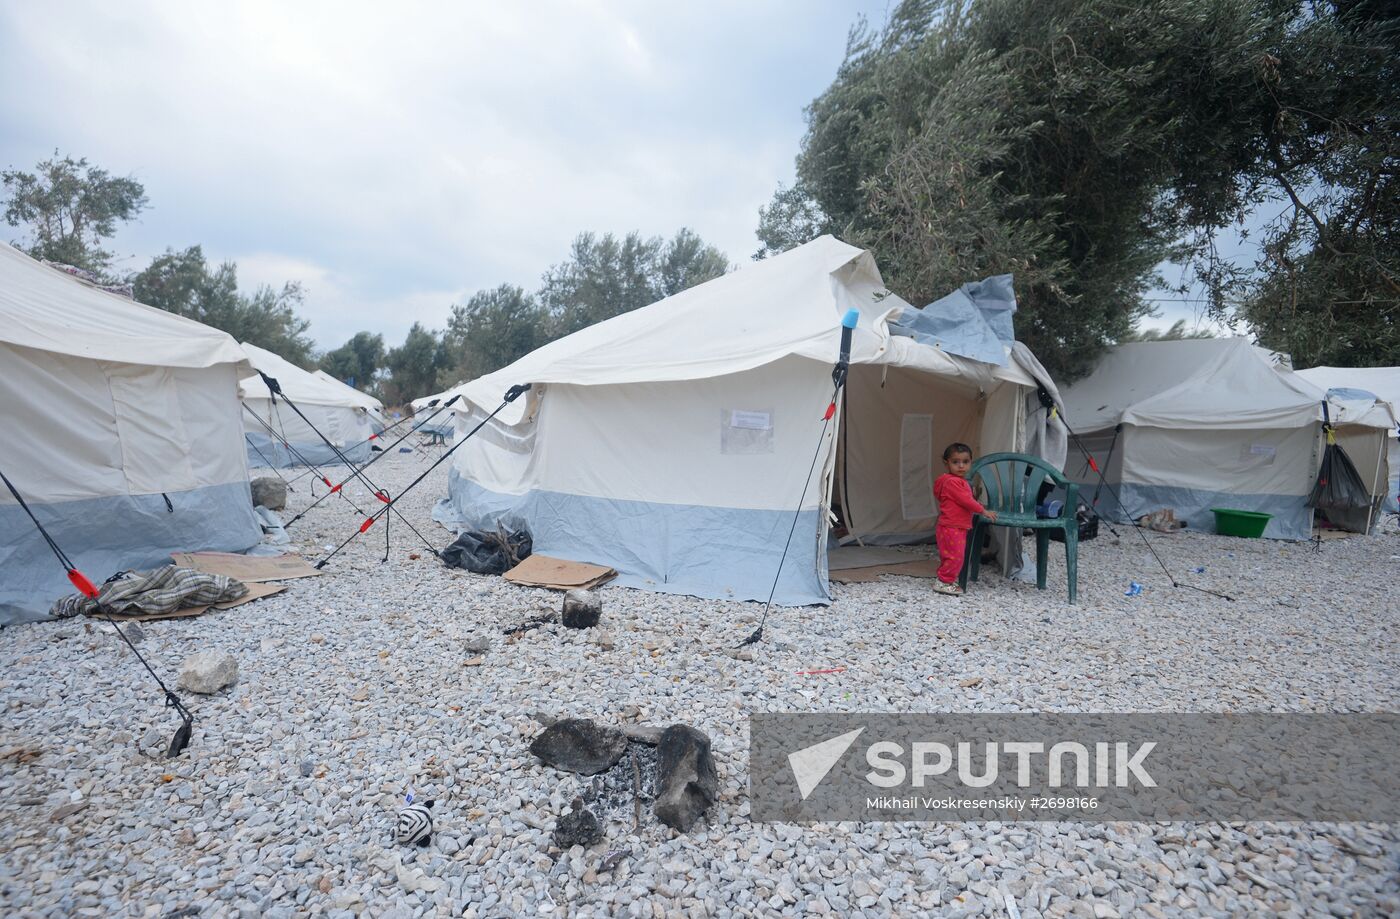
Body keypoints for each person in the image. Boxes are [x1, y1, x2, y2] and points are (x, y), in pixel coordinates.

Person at [932, 442, 995, 596]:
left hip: (952, 525)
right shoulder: (953, 482)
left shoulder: (948, 480)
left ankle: (946, 579)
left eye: (965, 462)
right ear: (947, 463)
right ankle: (944, 582)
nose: (961, 466)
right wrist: (983, 510)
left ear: (970, 462)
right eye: (955, 462)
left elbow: (962, 499)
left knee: (951, 555)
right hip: (952, 526)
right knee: (955, 556)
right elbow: (966, 501)